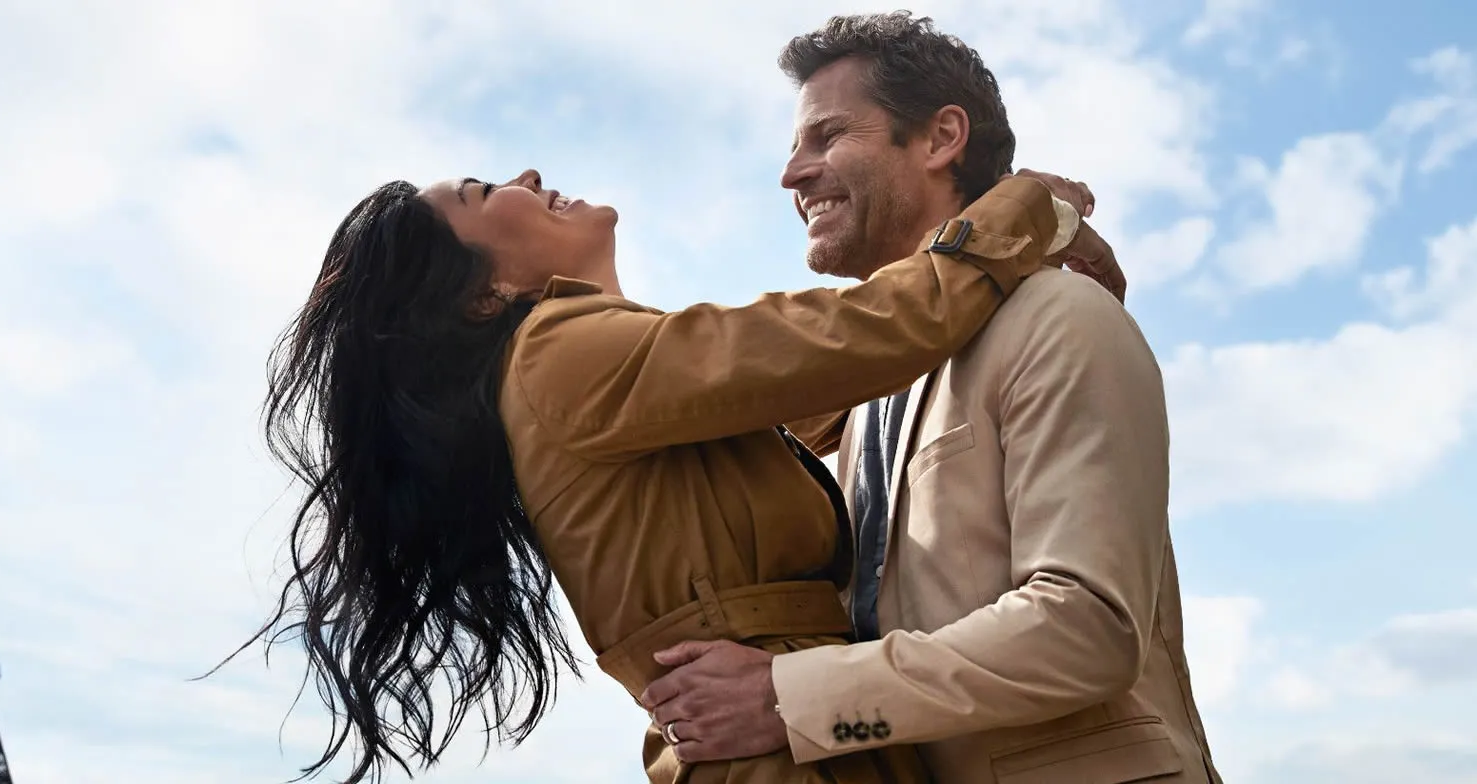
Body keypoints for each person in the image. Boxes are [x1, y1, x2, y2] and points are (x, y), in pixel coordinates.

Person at [224, 154, 1110, 783]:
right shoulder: (561, 353)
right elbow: (867, 336)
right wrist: (1029, 209)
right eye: (485, 191)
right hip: (777, 754)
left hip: (793, 743)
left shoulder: (594, 371)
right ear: (483, 292)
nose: (529, 176)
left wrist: (1013, 280)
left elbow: (838, 394)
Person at [635, 12, 1222, 784]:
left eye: (829, 136)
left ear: (943, 138)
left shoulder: (1063, 318)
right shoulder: (863, 391)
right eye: (793, 150)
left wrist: (785, 699)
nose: (793, 175)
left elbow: (1088, 627)